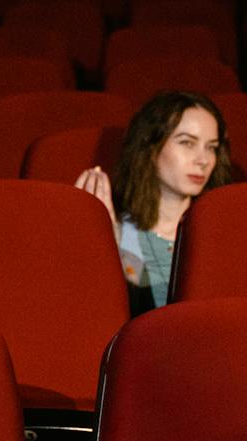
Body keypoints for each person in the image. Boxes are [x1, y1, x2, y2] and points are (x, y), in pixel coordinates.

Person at [74, 89, 230, 313]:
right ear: (151, 147)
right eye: (187, 143)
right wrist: (108, 245)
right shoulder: (119, 230)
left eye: (211, 147)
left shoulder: (222, 232)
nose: (203, 160)